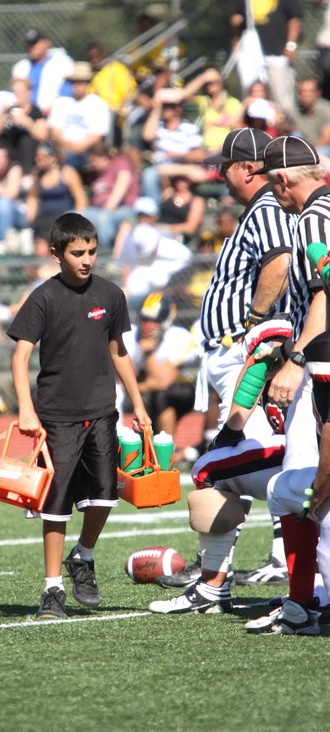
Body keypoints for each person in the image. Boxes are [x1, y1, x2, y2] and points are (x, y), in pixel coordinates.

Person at [160, 128, 295, 592]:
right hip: (233, 351)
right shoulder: (258, 209)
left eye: (225, 167)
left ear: (248, 169)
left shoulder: (267, 207)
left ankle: (225, 571)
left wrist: (253, 322)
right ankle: (234, 564)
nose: (220, 176)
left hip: (243, 351)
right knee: (241, 454)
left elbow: (279, 261)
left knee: (235, 458)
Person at [7, 212, 150, 619]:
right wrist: (26, 409)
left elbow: (118, 351)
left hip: (102, 412)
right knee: (55, 507)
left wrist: (138, 404)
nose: (86, 260)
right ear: (56, 254)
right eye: (77, 253)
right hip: (56, 417)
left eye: (92, 252)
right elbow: (20, 358)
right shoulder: (43, 297)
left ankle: (83, 555)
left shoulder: (110, 294)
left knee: (105, 496)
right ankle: (52, 589)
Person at [241, 135, 330, 633]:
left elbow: (325, 297)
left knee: (306, 483)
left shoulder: (314, 218)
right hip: (315, 357)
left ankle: (311, 599)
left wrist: (297, 359)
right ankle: (307, 597)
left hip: (322, 365)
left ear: (281, 180)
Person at [123, 291, 196, 436]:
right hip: (143, 389)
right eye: (145, 319)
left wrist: (148, 353)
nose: (148, 326)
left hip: (179, 390)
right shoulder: (130, 336)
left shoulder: (178, 337)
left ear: (166, 321)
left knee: (163, 395)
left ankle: (166, 444)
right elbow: (121, 383)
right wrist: (143, 387)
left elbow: (162, 382)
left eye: (154, 321)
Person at [230, 0, 303, 114]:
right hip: (251, 54)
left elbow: (295, 18)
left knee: (281, 99)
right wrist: (236, 41)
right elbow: (238, 20)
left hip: (277, 54)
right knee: (251, 98)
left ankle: (284, 124)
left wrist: (291, 45)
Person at [141, 87, 208, 204]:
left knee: (195, 176)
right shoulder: (159, 127)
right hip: (161, 170)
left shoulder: (189, 128)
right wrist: (156, 108)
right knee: (150, 174)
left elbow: (199, 155)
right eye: (164, 106)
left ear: (178, 108)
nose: (166, 109)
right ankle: (154, 209)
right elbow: (147, 136)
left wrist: (177, 155)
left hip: (180, 167)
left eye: (169, 106)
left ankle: (175, 206)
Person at [48, 61, 110, 174]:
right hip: (63, 148)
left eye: (81, 82)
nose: (77, 85)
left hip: (88, 149)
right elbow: (55, 131)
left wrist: (80, 146)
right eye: (74, 82)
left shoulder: (97, 103)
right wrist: (69, 145)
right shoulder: (61, 102)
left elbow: (97, 135)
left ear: (87, 83)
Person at [26, 142, 87, 257]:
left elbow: (80, 198)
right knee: (40, 249)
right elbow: (32, 197)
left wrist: (77, 221)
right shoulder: (38, 176)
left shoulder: (67, 173)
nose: (38, 160)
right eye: (37, 156)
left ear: (53, 157)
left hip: (62, 220)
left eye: (42, 157)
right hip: (43, 219)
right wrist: (31, 215)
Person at [81, 142, 140, 249]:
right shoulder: (94, 173)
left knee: (103, 218)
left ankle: (105, 253)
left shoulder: (119, 162)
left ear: (104, 157)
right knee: (74, 216)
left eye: (94, 160)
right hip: (98, 209)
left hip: (123, 208)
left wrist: (110, 206)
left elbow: (123, 182)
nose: (91, 164)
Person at [0, 77, 48, 175]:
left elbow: (43, 136)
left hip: (29, 151)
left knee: (27, 140)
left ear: (28, 93)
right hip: (11, 149)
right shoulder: (8, 111)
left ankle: (26, 174)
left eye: (20, 92)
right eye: (14, 92)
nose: (17, 95)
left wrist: (26, 122)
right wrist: (3, 118)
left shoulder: (36, 111)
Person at [11, 29, 73, 117]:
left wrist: (53, 108)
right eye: (29, 44)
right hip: (25, 114)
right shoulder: (21, 67)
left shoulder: (61, 63)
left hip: (52, 115)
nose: (32, 47)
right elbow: (14, 93)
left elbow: (67, 91)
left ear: (47, 44)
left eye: (35, 43)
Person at [86, 42, 137, 148]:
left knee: (108, 114)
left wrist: (118, 107)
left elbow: (129, 92)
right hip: (96, 111)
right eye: (91, 59)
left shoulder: (116, 69)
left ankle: (109, 148)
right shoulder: (93, 74)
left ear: (103, 55)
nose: (94, 60)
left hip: (115, 110)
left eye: (97, 57)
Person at [180, 68, 242, 155]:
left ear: (221, 82)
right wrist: (202, 78)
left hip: (225, 150)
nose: (210, 85)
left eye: (214, 82)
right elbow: (185, 95)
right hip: (206, 150)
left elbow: (238, 130)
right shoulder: (205, 102)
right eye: (207, 83)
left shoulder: (232, 103)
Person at [285, 78, 330, 159]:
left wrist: (307, 147)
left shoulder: (326, 109)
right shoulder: (293, 112)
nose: (306, 95)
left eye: (310, 91)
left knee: (322, 152)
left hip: (321, 148)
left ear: (318, 93)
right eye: (303, 91)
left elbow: (326, 140)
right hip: (301, 146)